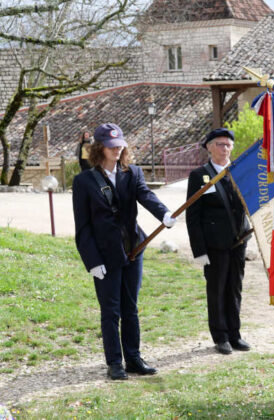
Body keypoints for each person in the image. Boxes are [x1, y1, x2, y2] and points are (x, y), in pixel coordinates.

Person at [72, 123, 176, 380]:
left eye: (120, 145)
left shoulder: (133, 172)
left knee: (131, 307)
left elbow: (146, 196)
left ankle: (133, 358)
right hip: (104, 255)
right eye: (111, 146)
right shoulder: (84, 181)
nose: (117, 149)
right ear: (99, 148)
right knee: (111, 311)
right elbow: (83, 226)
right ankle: (114, 362)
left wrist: (164, 213)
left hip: (133, 249)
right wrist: (92, 261)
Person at [186, 128, 252, 355]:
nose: (224, 149)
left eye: (228, 145)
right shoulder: (199, 175)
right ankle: (220, 336)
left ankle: (235, 334)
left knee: (235, 288)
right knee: (216, 290)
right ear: (209, 147)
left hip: (238, 241)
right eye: (219, 144)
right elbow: (192, 216)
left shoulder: (240, 172)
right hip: (214, 243)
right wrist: (199, 250)